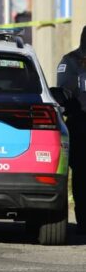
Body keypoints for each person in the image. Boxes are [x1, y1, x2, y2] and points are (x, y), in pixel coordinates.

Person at [57, 26, 86, 234]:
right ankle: (84, 218)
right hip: (81, 126)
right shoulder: (72, 61)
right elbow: (64, 94)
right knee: (82, 175)